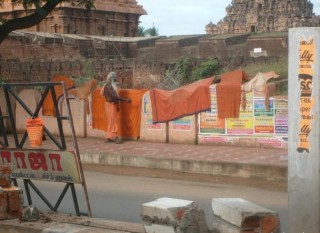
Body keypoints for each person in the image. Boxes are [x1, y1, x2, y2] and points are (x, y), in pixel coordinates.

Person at [100, 72, 131, 144]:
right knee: (113, 122)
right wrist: (126, 100)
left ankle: (108, 137)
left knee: (111, 122)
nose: (115, 81)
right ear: (111, 79)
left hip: (111, 105)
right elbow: (115, 97)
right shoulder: (108, 86)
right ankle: (115, 137)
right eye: (114, 79)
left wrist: (117, 104)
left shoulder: (108, 86)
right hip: (110, 105)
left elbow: (114, 97)